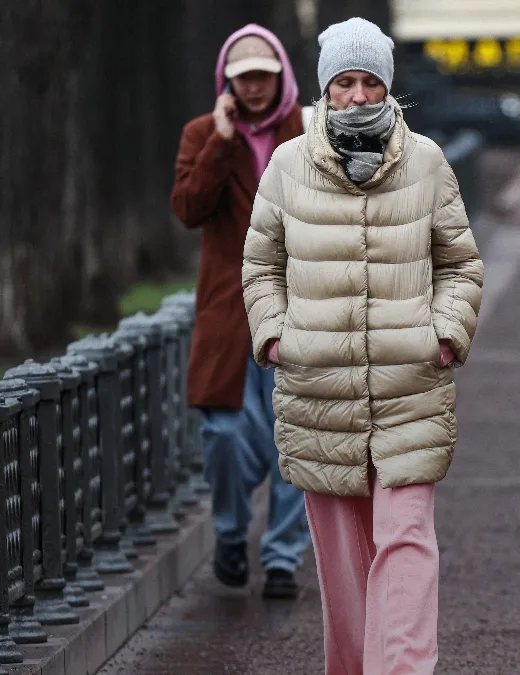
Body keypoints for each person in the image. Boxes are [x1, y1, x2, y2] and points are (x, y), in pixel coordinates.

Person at [242, 17, 484, 674]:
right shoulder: (289, 165)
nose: (355, 95)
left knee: (407, 541)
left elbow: (460, 263)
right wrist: (274, 334)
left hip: (411, 390)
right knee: (345, 570)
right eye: (344, 82)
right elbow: (261, 263)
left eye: (368, 81)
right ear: (326, 88)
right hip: (319, 392)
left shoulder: (427, 161)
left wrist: (445, 332)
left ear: (387, 87)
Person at [171, 24, 310, 598]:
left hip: (301, 303)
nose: (255, 87)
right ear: (227, 81)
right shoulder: (203, 133)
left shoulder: (307, 130)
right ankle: (231, 534)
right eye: (243, 77)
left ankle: (281, 556)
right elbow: (187, 208)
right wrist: (221, 140)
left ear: (281, 75)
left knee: (300, 435)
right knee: (225, 432)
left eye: (264, 76)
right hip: (230, 308)